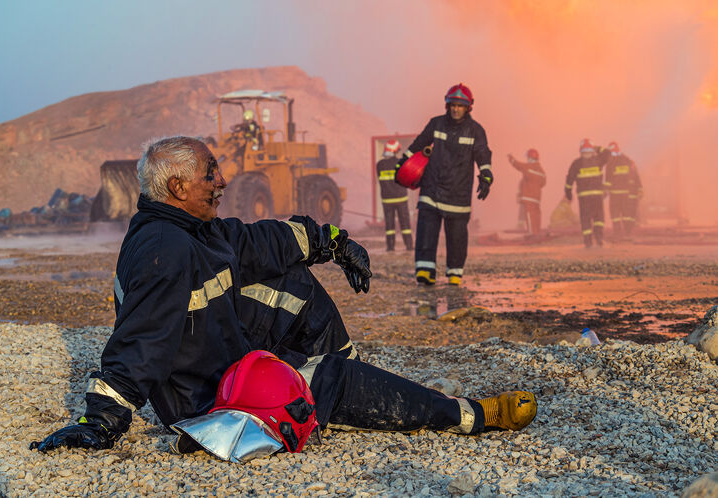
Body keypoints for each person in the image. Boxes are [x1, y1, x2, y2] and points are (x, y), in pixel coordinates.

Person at [29, 136, 536, 459]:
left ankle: (350, 384)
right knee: (330, 380)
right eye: (210, 172)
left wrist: (333, 241)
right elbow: (139, 341)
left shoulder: (194, 230)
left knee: (293, 281)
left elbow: (263, 241)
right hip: (210, 394)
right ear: (179, 185)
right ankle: (468, 416)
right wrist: (100, 420)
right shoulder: (164, 249)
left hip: (222, 349)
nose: (222, 179)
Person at [396, 83, 493, 286]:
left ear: (469, 107)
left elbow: (483, 153)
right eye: (453, 105)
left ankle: (454, 273)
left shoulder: (476, 131)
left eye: (460, 105)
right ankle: (425, 271)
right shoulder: (436, 124)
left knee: (457, 238)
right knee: (425, 232)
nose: (456, 109)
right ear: (447, 105)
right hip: (431, 188)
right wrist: (402, 162)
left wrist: (486, 175)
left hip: (458, 193)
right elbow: (419, 143)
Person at [564, 139, 610, 248]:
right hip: (597, 196)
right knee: (599, 219)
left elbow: (569, 180)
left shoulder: (576, 163)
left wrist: (568, 194)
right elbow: (608, 153)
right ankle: (599, 239)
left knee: (585, 219)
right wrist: (597, 148)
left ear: (581, 151)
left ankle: (588, 242)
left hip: (584, 198)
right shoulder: (598, 160)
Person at [377, 139, 413, 251]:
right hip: (401, 198)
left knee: (389, 224)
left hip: (387, 200)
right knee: (405, 223)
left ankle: (390, 246)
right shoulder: (400, 163)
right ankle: (409, 245)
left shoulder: (380, 165)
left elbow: (381, 181)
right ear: (395, 150)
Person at [603, 142, 641, 236]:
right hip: (627, 194)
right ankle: (627, 232)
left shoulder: (610, 163)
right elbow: (636, 176)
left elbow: (608, 180)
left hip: (615, 194)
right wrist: (639, 189)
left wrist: (604, 192)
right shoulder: (628, 161)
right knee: (626, 214)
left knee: (615, 214)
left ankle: (618, 233)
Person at [508, 149, 546, 237]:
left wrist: (511, 158)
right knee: (536, 215)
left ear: (530, 158)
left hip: (528, 197)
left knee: (529, 215)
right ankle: (537, 232)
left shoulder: (528, 167)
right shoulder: (541, 170)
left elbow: (518, 165)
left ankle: (532, 233)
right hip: (537, 198)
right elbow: (543, 183)